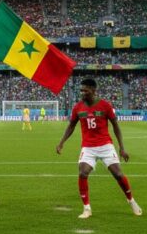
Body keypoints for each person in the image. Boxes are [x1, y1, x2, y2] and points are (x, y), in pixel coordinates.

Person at [56, 78, 141, 219]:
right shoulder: (78, 107)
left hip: (106, 146)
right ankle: (87, 208)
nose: (82, 92)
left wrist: (122, 148)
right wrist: (61, 142)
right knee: (83, 173)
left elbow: (116, 126)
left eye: (85, 90)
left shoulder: (105, 106)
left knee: (118, 174)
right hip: (88, 147)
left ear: (93, 90)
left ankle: (131, 200)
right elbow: (71, 126)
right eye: (81, 90)